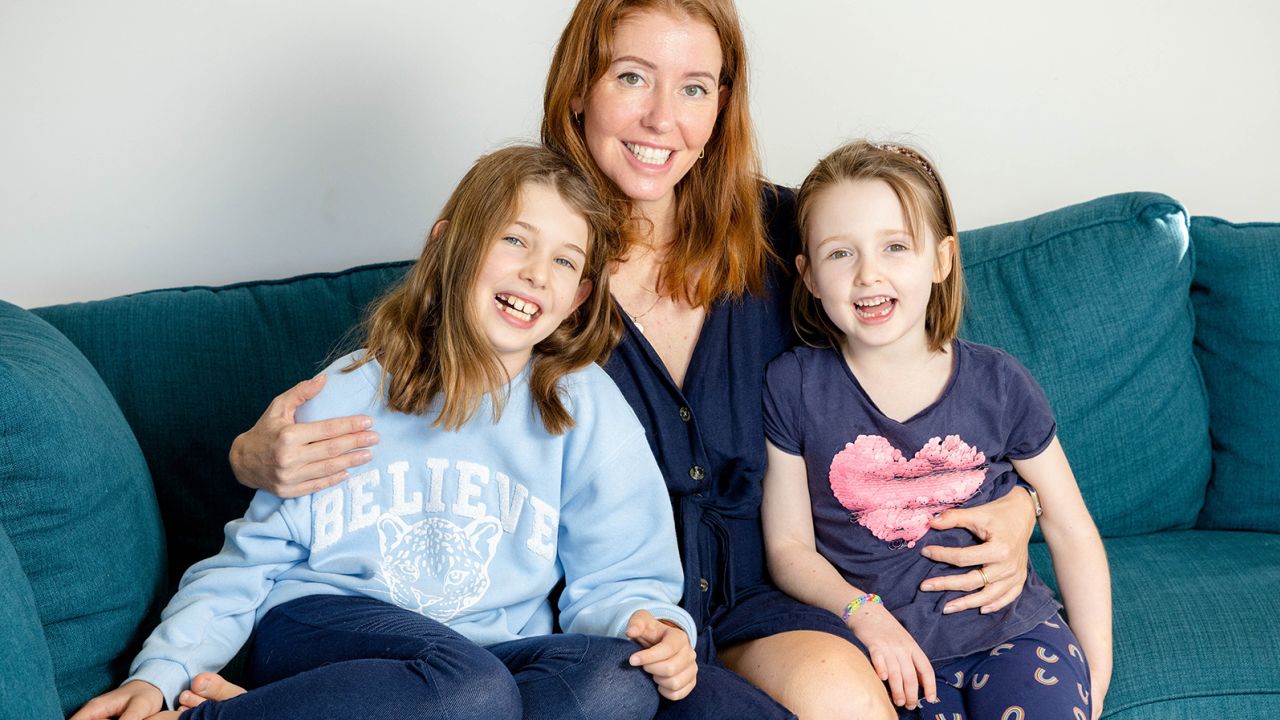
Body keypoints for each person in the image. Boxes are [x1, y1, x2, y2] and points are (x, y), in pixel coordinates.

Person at [220, 2, 1043, 717]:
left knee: (851, 699)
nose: (662, 119)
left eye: (695, 88)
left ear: (723, 106)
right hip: (598, 628)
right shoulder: (530, 255)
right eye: (632, 78)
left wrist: (1022, 508)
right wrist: (251, 454)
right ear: (580, 86)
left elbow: (943, 377)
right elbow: (410, 391)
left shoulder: (800, 237)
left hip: (773, 601)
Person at [70, 145, 698, 720]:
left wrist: (649, 626)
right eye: (515, 240)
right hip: (327, 633)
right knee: (468, 688)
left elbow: (619, 576)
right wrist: (159, 675)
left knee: (616, 678)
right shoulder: (349, 392)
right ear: (448, 247)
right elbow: (247, 567)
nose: (538, 273)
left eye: (565, 261)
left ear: (581, 296)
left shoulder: (580, 406)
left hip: (488, 663)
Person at [761, 140, 1112, 719]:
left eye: (895, 247)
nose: (868, 274)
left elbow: (1071, 528)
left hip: (1017, 635)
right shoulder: (794, 387)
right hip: (890, 657)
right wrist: (864, 615)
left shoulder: (999, 382)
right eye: (840, 254)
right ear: (810, 277)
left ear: (942, 260)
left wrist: (1095, 677)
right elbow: (788, 547)